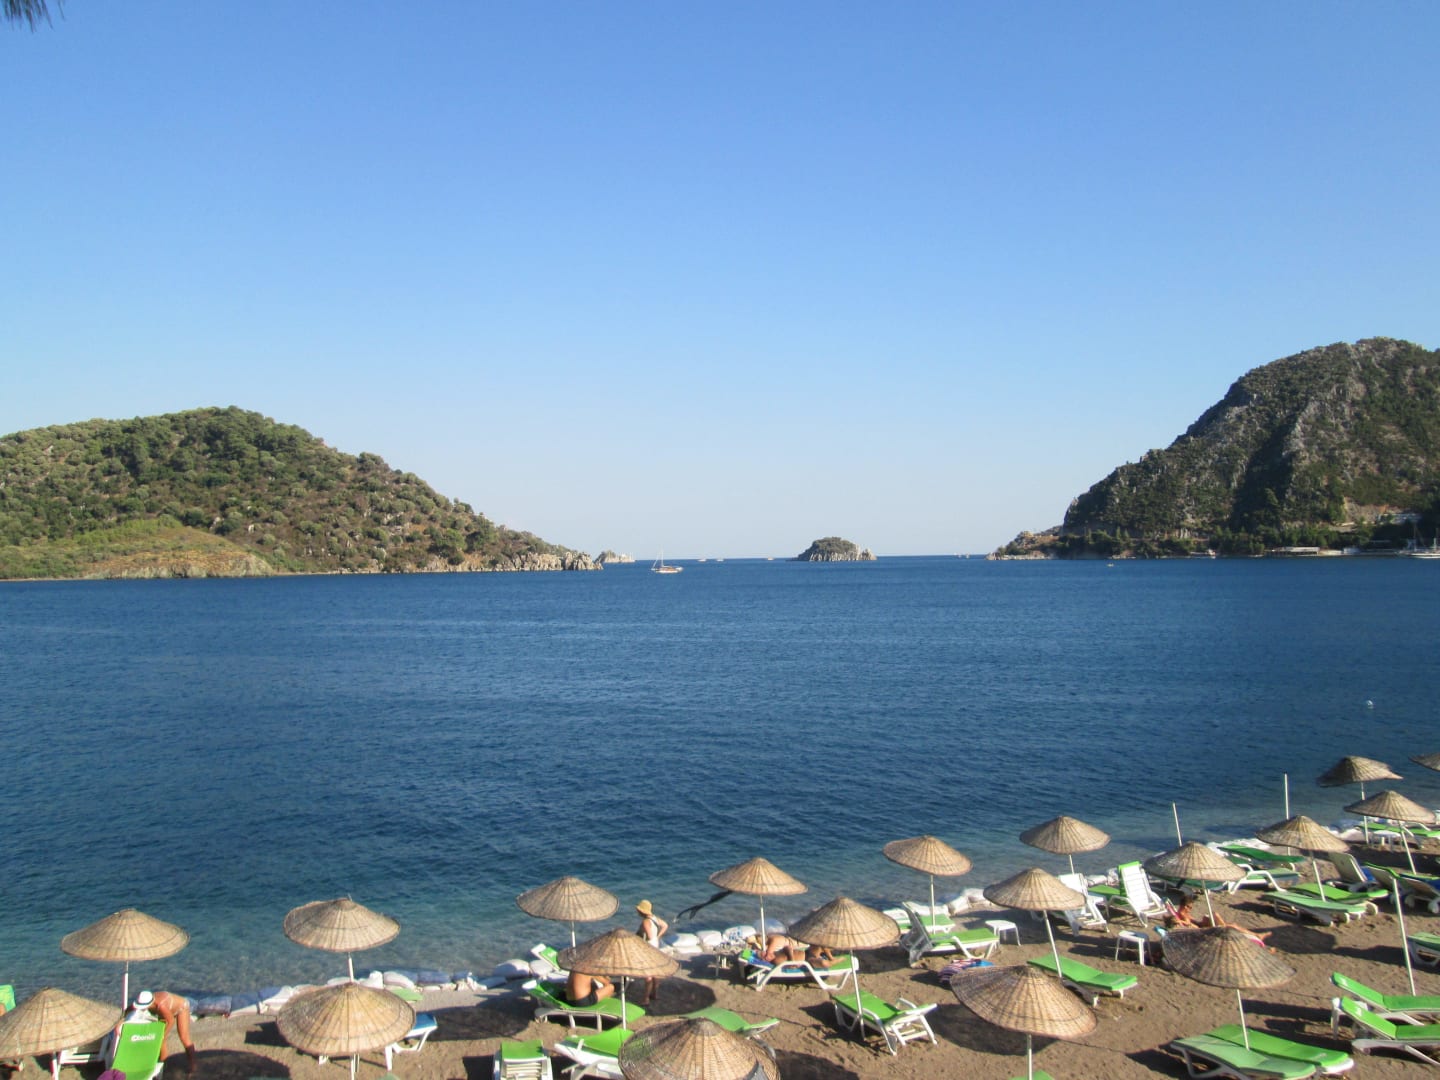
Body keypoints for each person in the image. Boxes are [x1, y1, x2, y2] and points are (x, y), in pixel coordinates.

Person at [131, 990, 197, 1074]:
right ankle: (163, 1064)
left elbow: (171, 1021)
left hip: (181, 1007)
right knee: (161, 1040)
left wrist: (163, 1034)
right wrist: (120, 1023)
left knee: (183, 1037)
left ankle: (192, 1065)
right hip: (166, 1010)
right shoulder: (144, 1000)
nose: (142, 1008)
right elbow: (129, 1010)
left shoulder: (161, 1006)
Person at [1165, 896, 1272, 945]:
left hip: (1201, 927)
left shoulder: (1182, 914)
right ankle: (1257, 935)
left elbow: (1190, 923)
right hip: (1203, 931)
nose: (1190, 909)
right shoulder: (1183, 915)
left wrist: (1201, 921)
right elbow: (1188, 925)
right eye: (1189, 907)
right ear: (1185, 906)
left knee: (1225, 921)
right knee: (1232, 926)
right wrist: (1184, 922)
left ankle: (1256, 935)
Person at [635, 900, 670, 1005]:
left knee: (648, 975)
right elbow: (665, 925)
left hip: (649, 949)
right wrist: (658, 936)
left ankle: (646, 999)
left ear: (642, 911)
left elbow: (649, 937)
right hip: (656, 947)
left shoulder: (646, 922)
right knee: (655, 973)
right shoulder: (655, 918)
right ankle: (654, 994)